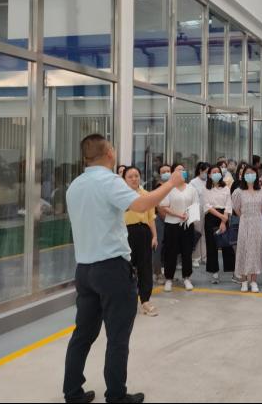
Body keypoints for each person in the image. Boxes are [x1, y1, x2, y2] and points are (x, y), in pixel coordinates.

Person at [64, 134, 185, 404]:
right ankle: (116, 395)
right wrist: (171, 183)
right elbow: (141, 204)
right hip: (111, 269)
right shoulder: (109, 182)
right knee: (117, 335)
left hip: (84, 270)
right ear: (109, 153)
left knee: (82, 334)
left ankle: (72, 391)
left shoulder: (75, 185)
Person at [122, 166, 158, 317]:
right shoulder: (120, 195)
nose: (134, 179)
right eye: (130, 176)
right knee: (125, 267)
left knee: (145, 267)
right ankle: (125, 301)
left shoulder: (146, 195)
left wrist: (154, 236)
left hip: (143, 232)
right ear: (124, 179)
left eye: (136, 175)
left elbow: (151, 218)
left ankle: (145, 301)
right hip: (125, 233)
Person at [159, 163, 199, 292]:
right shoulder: (168, 188)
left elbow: (195, 205)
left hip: (187, 224)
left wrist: (188, 215)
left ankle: (186, 278)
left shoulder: (191, 189)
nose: (182, 172)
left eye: (183, 170)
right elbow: (164, 206)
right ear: (173, 173)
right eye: (178, 170)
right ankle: (169, 279)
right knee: (170, 252)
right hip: (172, 224)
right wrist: (178, 214)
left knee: (187, 251)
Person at [232, 166, 262, 293]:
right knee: (243, 250)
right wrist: (245, 217)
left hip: (258, 224)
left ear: (256, 175)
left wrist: (255, 218)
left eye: (252, 173)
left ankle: (254, 281)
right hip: (244, 223)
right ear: (243, 175)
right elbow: (236, 208)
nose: (250, 175)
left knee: (256, 251)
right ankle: (244, 280)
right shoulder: (238, 192)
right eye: (247, 173)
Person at [203, 165, 235, 284]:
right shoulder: (206, 189)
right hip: (211, 217)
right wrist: (221, 217)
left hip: (224, 216)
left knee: (227, 244)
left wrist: (223, 220)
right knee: (212, 245)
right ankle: (214, 272)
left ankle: (232, 271)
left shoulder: (225, 188)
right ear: (209, 174)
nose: (216, 174)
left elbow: (228, 204)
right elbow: (207, 206)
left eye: (218, 172)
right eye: (213, 172)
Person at [152, 164, 171, 284]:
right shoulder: (159, 187)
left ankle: (167, 273)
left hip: (173, 220)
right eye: (163, 172)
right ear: (160, 174)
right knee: (158, 248)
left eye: (168, 171)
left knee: (169, 248)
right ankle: (157, 273)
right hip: (160, 220)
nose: (166, 173)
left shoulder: (173, 186)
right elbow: (159, 207)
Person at [190, 162, 210, 268]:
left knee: (205, 233)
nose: (207, 174)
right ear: (200, 170)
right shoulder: (193, 182)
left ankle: (204, 256)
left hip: (207, 209)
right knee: (197, 233)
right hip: (196, 209)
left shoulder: (209, 182)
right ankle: (195, 257)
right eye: (205, 171)